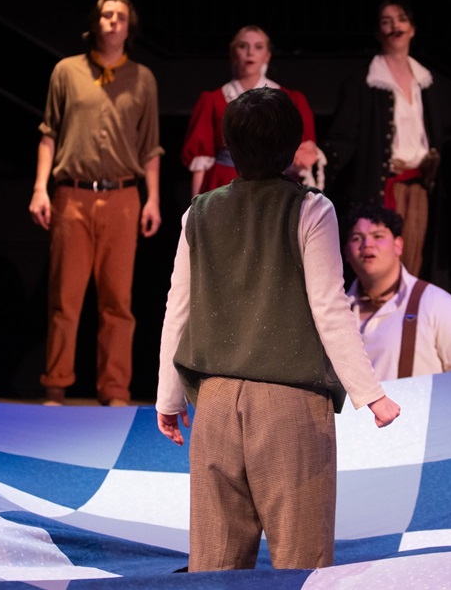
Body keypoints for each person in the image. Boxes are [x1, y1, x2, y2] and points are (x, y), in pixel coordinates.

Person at [155, 87, 401, 571]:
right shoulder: (311, 209)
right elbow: (329, 307)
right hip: (290, 408)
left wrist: (168, 397)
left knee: (213, 570)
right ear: (293, 147)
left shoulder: (197, 213)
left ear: (230, 143)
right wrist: (370, 393)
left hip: (216, 406)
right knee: (301, 569)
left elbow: (176, 310)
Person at [28, 0, 163, 407]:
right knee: (65, 298)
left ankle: (115, 390)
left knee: (118, 303)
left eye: (121, 17)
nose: (113, 22)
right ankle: (56, 386)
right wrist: (39, 188)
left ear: (129, 28)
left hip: (123, 196)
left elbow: (150, 146)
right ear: (96, 23)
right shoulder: (66, 71)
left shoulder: (143, 78)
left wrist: (153, 198)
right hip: (72, 194)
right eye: (107, 15)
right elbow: (48, 133)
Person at [324, 0, 442, 277]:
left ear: (412, 28)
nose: (394, 26)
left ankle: (406, 319)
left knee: (413, 261)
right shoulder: (363, 83)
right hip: (383, 186)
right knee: (380, 264)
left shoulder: (426, 82)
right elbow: (343, 137)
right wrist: (319, 158)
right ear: (378, 33)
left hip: (420, 188)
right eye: (386, 21)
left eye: (400, 19)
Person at [345, 204, 451, 379]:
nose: (367, 245)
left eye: (378, 236)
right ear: (346, 252)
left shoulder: (437, 304)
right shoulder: (335, 312)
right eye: (356, 238)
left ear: (398, 245)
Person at [181, 25, 321, 197]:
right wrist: (195, 211)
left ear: (267, 55)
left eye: (258, 47)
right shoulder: (213, 100)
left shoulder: (290, 100)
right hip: (225, 183)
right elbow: (201, 162)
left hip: (274, 184)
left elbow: (303, 155)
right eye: (243, 46)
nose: (250, 52)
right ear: (233, 53)